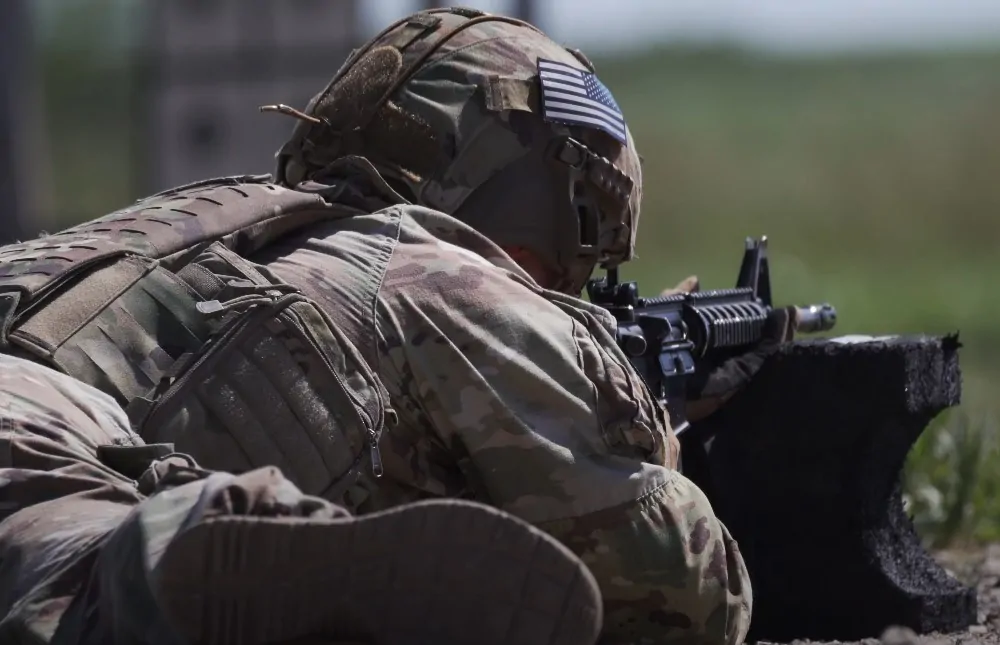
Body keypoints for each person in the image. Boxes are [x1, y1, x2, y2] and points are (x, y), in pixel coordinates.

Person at [0, 7, 780, 644]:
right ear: (559, 206)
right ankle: (189, 562)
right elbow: (682, 590)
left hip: (41, 406)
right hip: (46, 432)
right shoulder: (445, 273)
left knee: (43, 539)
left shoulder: (210, 220)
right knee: (84, 576)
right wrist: (651, 437)